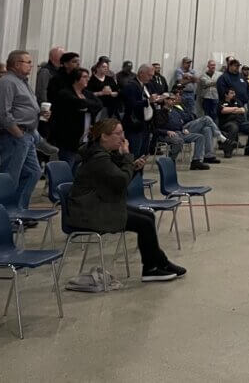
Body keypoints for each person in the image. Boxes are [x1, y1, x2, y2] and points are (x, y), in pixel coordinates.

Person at [67, 119, 185, 282]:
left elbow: (118, 182)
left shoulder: (105, 155)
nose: (123, 138)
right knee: (144, 223)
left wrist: (133, 166)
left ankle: (158, 263)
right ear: (104, 137)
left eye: (122, 133)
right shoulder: (98, 158)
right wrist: (128, 157)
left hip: (101, 205)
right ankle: (152, 268)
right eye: (118, 133)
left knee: (148, 216)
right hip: (90, 212)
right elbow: (121, 181)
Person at [0, 50, 46, 212]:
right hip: (14, 136)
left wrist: (40, 112)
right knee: (10, 177)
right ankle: (1, 214)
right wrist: (18, 133)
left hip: (27, 135)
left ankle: (18, 210)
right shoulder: (7, 82)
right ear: (17, 64)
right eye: (28, 62)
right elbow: (3, 112)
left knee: (33, 173)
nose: (31, 65)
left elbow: (24, 106)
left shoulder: (22, 82)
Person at [48, 67, 103, 167]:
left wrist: (86, 108)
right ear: (76, 79)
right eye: (85, 77)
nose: (88, 79)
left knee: (78, 168)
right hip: (68, 138)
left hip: (84, 139)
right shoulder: (65, 93)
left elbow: (99, 104)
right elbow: (78, 103)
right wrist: (88, 106)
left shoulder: (87, 93)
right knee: (67, 165)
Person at [155, 94, 216, 170]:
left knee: (200, 137)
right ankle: (171, 160)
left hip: (179, 132)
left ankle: (196, 161)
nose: (174, 101)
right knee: (178, 140)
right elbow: (156, 129)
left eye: (174, 99)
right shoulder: (159, 112)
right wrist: (167, 131)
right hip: (167, 134)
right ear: (165, 100)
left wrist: (183, 129)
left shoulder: (175, 111)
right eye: (171, 99)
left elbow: (180, 123)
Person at [121, 64, 160, 159]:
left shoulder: (147, 85)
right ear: (141, 73)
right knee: (135, 153)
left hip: (145, 124)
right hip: (135, 124)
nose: (151, 78)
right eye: (149, 75)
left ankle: (139, 172)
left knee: (143, 154)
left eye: (152, 76)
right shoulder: (131, 86)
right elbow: (131, 104)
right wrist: (147, 101)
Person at [217, 88, 249, 157]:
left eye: (234, 93)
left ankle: (248, 150)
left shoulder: (237, 101)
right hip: (227, 123)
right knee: (233, 127)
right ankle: (228, 150)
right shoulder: (221, 102)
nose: (234, 94)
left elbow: (243, 110)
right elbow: (223, 110)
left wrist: (230, 110)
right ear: (226, 95)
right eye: (231, 93)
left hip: (240, 123)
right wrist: (235, 109)